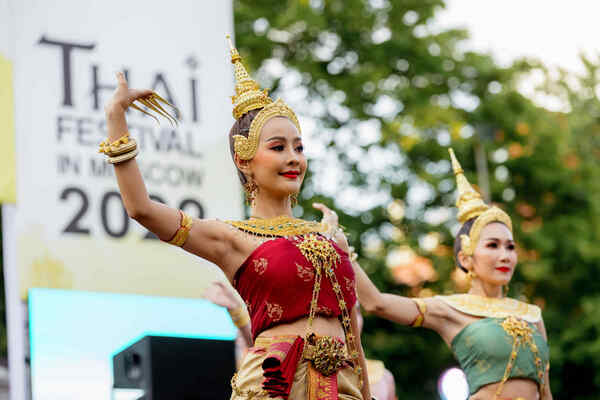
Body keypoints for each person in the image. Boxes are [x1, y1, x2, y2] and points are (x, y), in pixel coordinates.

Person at [99, 35, 371, 400]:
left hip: (342, 386)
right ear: (244, 160)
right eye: (278, 147)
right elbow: (142, 209)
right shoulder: (232, 237)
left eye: (299, 147)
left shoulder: (330, 237)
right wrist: (116, 118)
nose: (294, 158)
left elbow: (353, 334)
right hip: (276, 385)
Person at [338, 149, 552, 400]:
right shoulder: (449, 309)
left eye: (510, 247)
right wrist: (344, 253)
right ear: (466, 257)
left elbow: (545, 390)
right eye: (492, 245)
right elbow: (377, 303)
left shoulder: (531, 315)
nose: (505, 255)